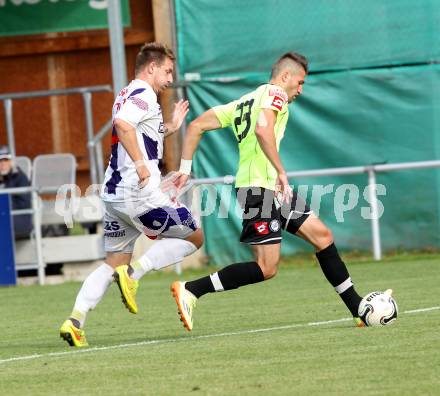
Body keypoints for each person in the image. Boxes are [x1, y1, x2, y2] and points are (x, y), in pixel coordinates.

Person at [170, 52, 371, 331]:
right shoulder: (275, 94)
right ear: (285, 76)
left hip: (270, 189)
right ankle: (192, 289)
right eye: (299, 82)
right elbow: (264, 131)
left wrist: (184, 168)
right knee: (267, 267)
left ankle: (357, 308)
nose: (300, 89)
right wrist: (281, 171)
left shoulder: (245, 101)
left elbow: (196, 125)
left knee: (322, 236)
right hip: (257, 189)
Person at [60, 42, 204, 347]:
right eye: (166, 71)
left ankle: (75, 320)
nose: (169, 78)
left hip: (113, 196)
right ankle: (134, 273)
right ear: (151, 67)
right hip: (138, 193)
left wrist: (172, 127)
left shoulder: (127, 93)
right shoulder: (143, 93)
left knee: (111, 261)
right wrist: (141, 166)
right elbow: (123, 125)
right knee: (195, 238)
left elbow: (140, 130)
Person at [0, 145, 32, 239]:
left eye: (5, 160)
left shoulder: (20, 178)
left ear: (11, 162)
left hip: (18, 220)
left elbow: (23, 204)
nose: (2, 164)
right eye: (0, 161)